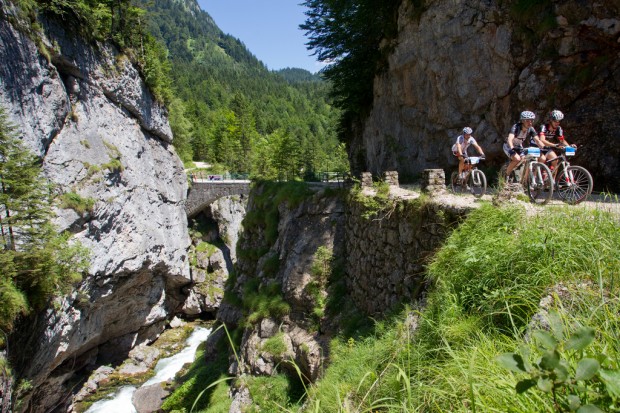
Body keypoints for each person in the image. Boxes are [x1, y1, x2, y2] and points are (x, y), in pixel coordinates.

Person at [503, 110, 543, 180]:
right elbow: (510, 139)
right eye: (527, 121)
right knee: (517, 159)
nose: (530, 123)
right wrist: (512, 148)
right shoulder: (516, 127)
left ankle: (521, 177)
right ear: (522, 121)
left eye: (531, 121)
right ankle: (506, 175)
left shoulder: (531, 129)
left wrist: (544, 147)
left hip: (518, 146)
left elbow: (537, 140)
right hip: (508, 146)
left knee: (525, 159)